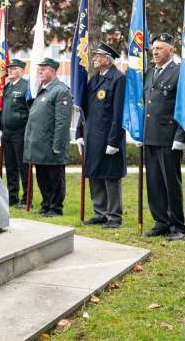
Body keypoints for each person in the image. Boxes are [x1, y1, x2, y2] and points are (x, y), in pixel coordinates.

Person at [140, 33, 185, 241]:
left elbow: (183, 107)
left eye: (159, 48)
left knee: (171, 183)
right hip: (150, 135)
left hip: (169, 138)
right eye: (153, 48)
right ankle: (161, 221)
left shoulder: (180, 73)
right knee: (154, 182)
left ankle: (177, 225)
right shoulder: (150, 73)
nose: (155, 52)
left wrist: (181, 136)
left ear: (171, 50)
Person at [75, 42, 127, 229]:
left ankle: (113, 216)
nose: (94, 58)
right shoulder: (94, 80)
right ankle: (100, 212)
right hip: (92, 137)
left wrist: (114, 140)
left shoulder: (118, 79)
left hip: (108, 138)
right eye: (94, 55)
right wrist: (79, 132)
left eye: (98, 56)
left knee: (110, 177)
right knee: (94, 174)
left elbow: (119, 112)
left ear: (107, 59)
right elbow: (83, 110)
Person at [23, 57, 73, 217]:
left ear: (52, 70)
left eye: (43, 69)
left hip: (52, 145)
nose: (39, 72)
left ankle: (56, 207)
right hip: (40, 145)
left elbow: (62, 122)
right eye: (39, 69)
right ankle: (46, 204)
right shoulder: (43, 89)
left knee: (55, 178)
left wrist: (58, 144)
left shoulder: (60, 90)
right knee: (43, 177)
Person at [0, 60, 31, 208]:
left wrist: (25, 127)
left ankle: (26, 199)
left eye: (13, 69)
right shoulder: (7, 88)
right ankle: (12, 196)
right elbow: (1, 109)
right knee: (10, 166)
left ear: (21, 72)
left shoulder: (26, 87)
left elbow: (30, 111)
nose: (9, 71)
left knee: (23, 166)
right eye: (9, 69)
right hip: (7, 132)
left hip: (20, 132)